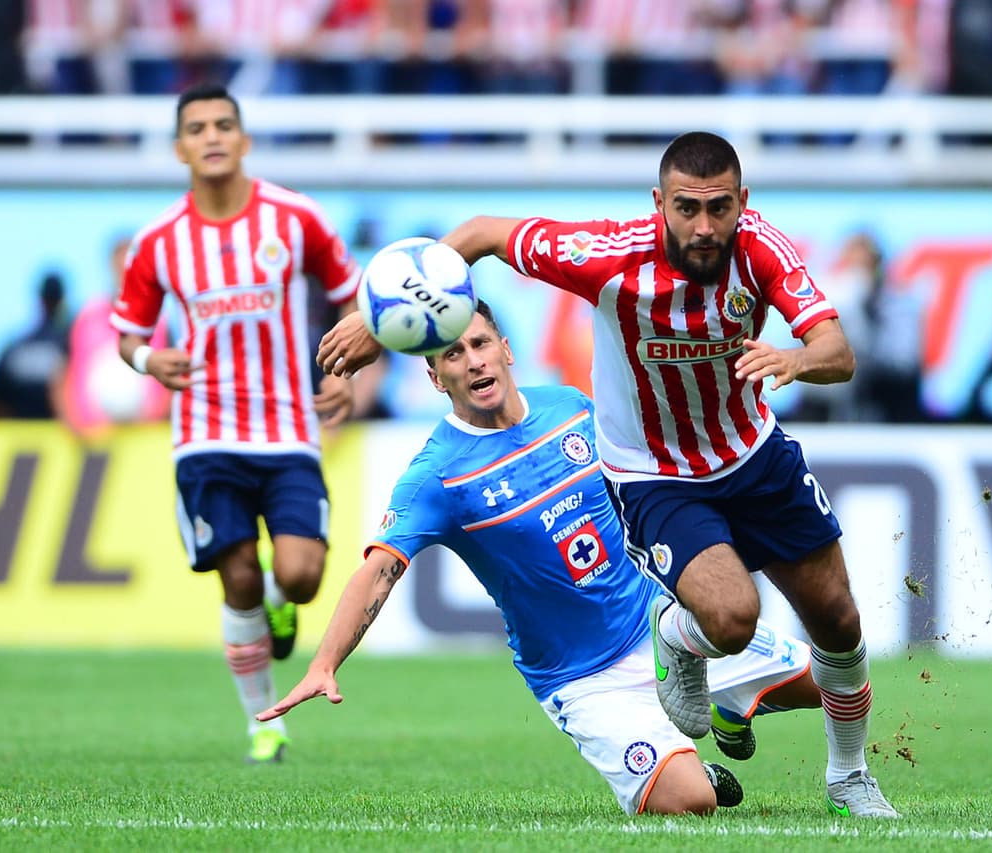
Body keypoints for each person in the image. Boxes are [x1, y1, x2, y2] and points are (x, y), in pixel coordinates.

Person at [315, 132, 900, 818]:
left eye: (720, 208)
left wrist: (793, 360)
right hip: (656, 480)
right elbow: (477, 233)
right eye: (688, 207)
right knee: (730, 620)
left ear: (743, 202)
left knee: (839, 626)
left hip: (753, 453)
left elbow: (836, 349)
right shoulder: (607, 257)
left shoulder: (760, 253)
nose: (705, 226)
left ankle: (847, 775)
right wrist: (375, 318)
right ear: (660, 205)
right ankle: (684, 642)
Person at [260, 302, 823, 815]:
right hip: (583, 677)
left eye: (480, 344)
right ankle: (693, 768)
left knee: (830, 686)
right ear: (435, 377)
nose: (473, 362)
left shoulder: (572, 408)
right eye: (452, 354)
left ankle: (731, 708)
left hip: (666, 628)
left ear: (506, 349)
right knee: (689, 803)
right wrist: (324, 663)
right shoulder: (436, 476)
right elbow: (377, 570)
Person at [110, 82, 363, 764]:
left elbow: (353, 297)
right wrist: (146, 359)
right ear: (180, 147)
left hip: (288, 430)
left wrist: (349, 376)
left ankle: (286, 601)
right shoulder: (160, 240)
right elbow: (126, 331)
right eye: (198, 127)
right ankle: (264, 721)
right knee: (239, 575)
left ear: (244, 139)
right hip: (205, 434)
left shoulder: (294, 218)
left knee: (303, 572)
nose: (213, 136)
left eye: (225, 124)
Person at [56, 235, 171, 436]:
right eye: (121, 265)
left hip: (145, 440)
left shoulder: (160, 322)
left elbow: (174, 380)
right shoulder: (85, 318)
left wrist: (154, 421)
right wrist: (74, 425)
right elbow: (63, 375)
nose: (125, 273)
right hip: (94, 441)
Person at [0, 271, 71, 419]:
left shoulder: (14, 347)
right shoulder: (70, 345)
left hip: (21, 436)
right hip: (55, 435)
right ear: (62, 300)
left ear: (40, 300)